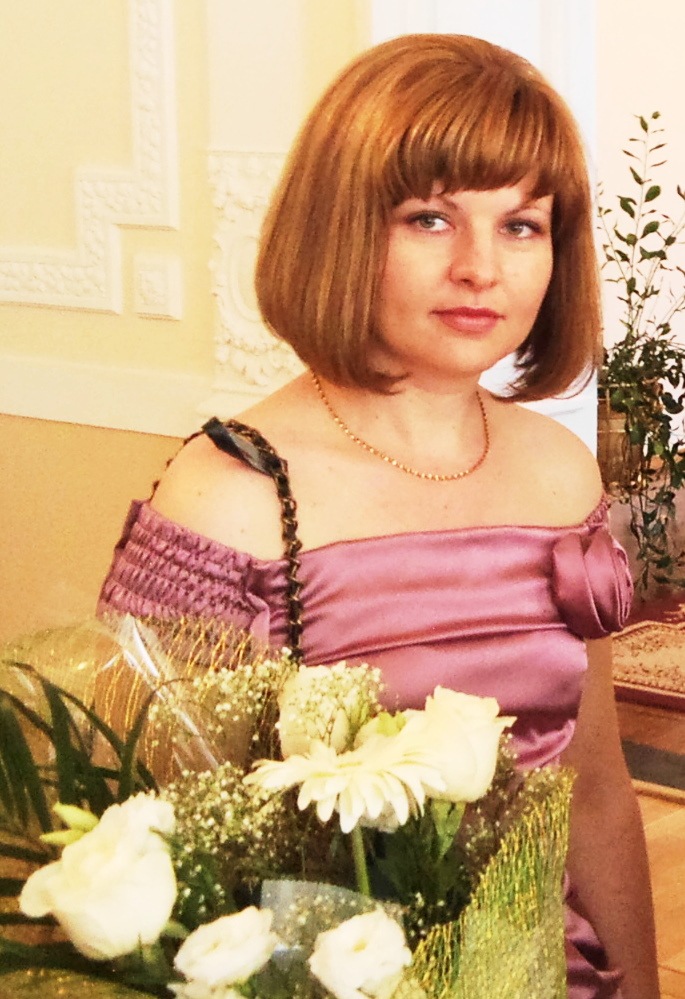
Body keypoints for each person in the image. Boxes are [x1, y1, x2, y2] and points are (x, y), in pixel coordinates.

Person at [98, 34, 659, 999]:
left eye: (521, 224)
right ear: (339, 229)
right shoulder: (231, 493)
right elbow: (176, 861)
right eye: (429, 218)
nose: (480, 267)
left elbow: (596, 793)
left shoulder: (559, 472)